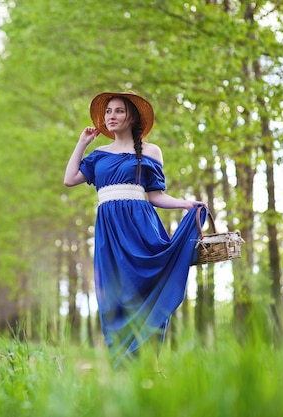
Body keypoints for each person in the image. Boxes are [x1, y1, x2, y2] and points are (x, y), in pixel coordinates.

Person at [64, 90, 207, 367]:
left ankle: (147, 365)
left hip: (141, 228)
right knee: (115, 295)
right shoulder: (99, 155)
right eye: (108, 111)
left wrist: (184, 204)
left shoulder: (151, 151)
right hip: (110, 233)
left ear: (132, 117)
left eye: (118, 111)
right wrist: (82, 143)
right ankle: (122, 364)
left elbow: (155, 195)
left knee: (145, 289)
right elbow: (70, 179)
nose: (111, 116)